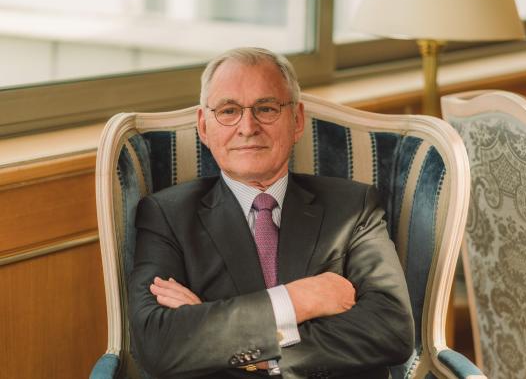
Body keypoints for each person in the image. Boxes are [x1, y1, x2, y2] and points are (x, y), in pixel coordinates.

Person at [128, 47, 414, 379]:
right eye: (229, 110)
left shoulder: (353, 207)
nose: (248, 127)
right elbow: (157, 342)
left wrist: (228, 339)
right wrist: (297, 300)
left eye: (266, 108)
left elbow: (391, 329)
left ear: (297, 120)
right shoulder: (166, 215)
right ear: (204, 126)